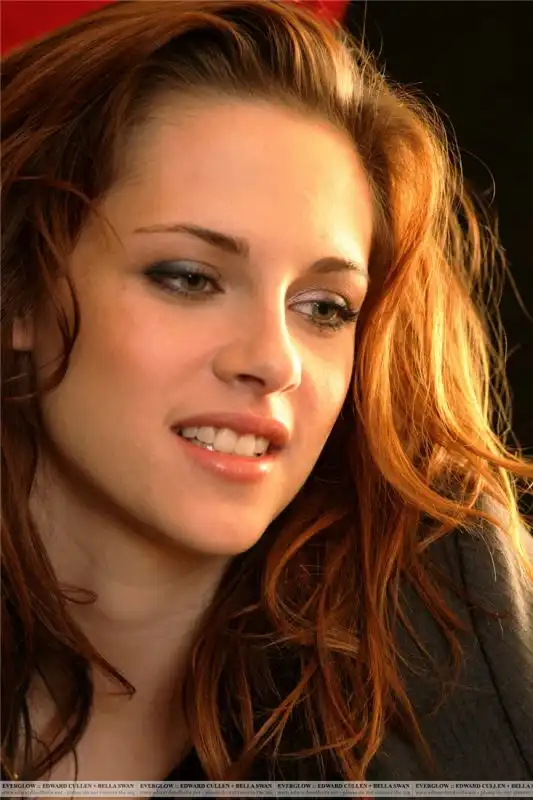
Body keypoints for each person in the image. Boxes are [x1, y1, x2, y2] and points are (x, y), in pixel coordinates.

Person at [2, 0, 533, 787]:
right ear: (22, 292)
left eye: (324, 308)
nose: (273, 360)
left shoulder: (461, 643)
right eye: (189, 278)